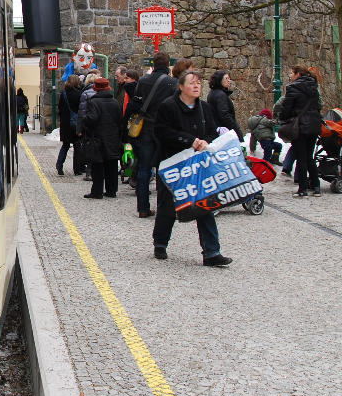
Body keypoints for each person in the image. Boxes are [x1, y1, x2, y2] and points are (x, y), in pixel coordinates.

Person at [151, 70, 232, 267]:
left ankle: (212, 251)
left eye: (198, 83)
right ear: (181, 87)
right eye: (192, 83)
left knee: (205, 205)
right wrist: (189, 141)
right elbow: (162, 132)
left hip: (197, 165)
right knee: (167, 206)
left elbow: (212, 130)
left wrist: (206, 142)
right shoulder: (168, 106)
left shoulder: (204, 107)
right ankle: (160, 243)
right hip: (172, 163)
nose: (196, 86)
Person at [129, 52, 178, 218]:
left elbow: (135, 103)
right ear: (167, 64)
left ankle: (143, 208)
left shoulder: (143, 81)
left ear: (154, 64)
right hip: (164, 131)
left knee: (144, 168)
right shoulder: (173, 83)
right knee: (164, 169)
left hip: (146, 130)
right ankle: (164, 208)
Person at [279, 64, 323, 198]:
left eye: (292, 73)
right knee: (310, 158)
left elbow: (286, 109)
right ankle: (316, 187)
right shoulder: (314, 87)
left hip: (300, 126)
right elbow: (318, 106)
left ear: (298, 74)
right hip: (314, 125)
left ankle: (302, 189)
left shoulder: (292, 88)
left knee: (301, 158)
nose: (290, 76)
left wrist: (284, 118)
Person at [81, 78, 123, 199]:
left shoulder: (94, 102)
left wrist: (85, 120)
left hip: (98, 137)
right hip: (113, 137)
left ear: (95, 88)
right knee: (112, 164)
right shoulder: (115, 102)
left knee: (98, 165)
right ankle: (111, 190)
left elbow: (92, 119)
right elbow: (120, 120)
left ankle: (97, 191)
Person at [56, 75, 84, 176]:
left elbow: (59, 108)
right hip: (76, 124)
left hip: (65, 124)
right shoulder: (79, 94)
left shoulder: (63, 94)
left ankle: (59, 166)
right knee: (77, 147)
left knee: (65, 146)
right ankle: (77, 170)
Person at [206, 70, 245, 142]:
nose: (229, 81)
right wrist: (235, 129)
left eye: (229, 78)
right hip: (225, 131)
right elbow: (224, 115)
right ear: (219, 80)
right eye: (226, 78)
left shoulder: (212, 93)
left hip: (218, 129)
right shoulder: (220, 95)